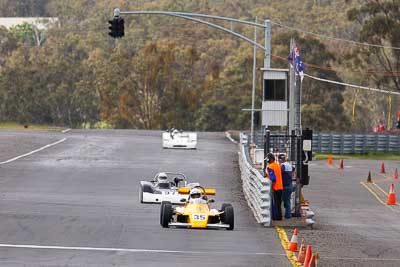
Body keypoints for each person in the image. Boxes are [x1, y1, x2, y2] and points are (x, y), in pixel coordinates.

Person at [266, 153, 283, 220]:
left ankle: (275, 217)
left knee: (275, 203)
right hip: (280, 187)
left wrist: (271, 187)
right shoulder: (277, 165)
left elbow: (273, 179)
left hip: (275, 188)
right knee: (279, 204)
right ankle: (279, 217)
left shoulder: (270, 167)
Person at [278, 154, 293, 219]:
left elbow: (280, 172)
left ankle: (287, 215)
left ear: (280, 159)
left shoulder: (282, 165)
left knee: (284, 201)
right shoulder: (289, 164)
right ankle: (288, 214)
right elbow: (293, 169)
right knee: (287, 201)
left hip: (285, 186)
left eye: (279, 159)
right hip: (290, 185)